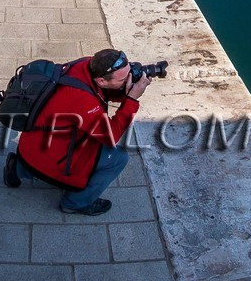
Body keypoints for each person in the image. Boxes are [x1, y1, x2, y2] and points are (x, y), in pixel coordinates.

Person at [12, 47, 151, 215]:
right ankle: (74, 203)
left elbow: (103, 92)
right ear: (101, 81)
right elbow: (110, 136)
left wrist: (126, 90)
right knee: (118, 158)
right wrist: (131, 100)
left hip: (29, 148)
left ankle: (16, 167)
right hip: (51, 156)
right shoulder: (82, 100)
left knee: (42, 153)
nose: (129, 79)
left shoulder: (87, 65)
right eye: (124, 79)